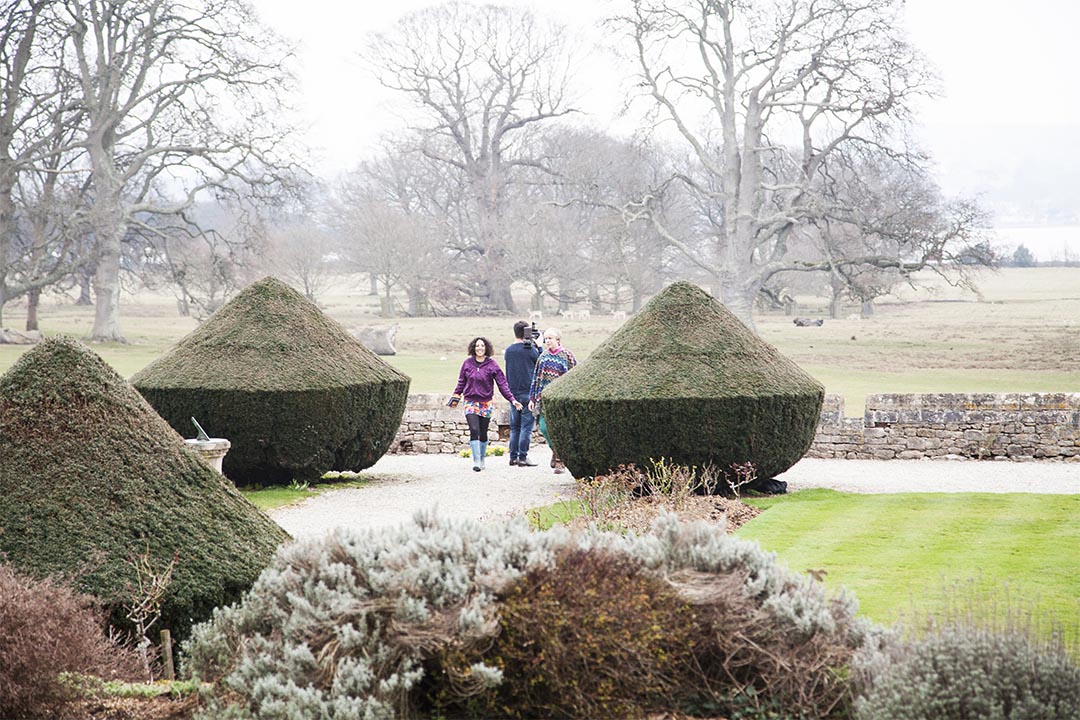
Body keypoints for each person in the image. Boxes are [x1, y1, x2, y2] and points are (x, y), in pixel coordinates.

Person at [451, 336, 523, 472]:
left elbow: (502, 384)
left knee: (483, 432)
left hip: (486, 403)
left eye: (482, 346)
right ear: (473, 348)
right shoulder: (467, 363)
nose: (480, 348)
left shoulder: (492, 365)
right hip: (470, 401)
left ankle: (482, 458)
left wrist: (512, 399)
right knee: (474, 429)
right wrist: (455, 396)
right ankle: (476, 461)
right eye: (477, 346)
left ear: (486, 348)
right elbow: (461, 381)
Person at [528, 327, 576, 474]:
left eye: (550, 338)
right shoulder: (542, 357)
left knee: (560, 429)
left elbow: (574, 376)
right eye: (546, 338)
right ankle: (555, 451)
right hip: (543, 400)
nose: (548, 341)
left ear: (558, 340)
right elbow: (536, 378)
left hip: (560, 400)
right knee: (544, 428)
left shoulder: (567, 355)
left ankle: (560, 460)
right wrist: (532, 398)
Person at [504, 320, 542, 467]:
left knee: (515, 427)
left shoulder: (509, 350)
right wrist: (539, 346)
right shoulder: (530, 349)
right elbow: (541, 362)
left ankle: (513, 457)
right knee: (526, 427)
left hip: (513, 394)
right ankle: (523, 457)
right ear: (527, 332)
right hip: (528, 393)